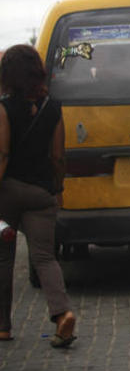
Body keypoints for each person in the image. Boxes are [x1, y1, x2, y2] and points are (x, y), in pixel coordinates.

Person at [0, 44, 76, 347]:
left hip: (7, 191)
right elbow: (58, 156)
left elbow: (3, 154)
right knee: (45, 257)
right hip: (42, 191)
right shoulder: (53, 108)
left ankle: (3, 327)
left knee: (3, 258)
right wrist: (58, 189)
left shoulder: (4, 108)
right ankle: (62, 315)